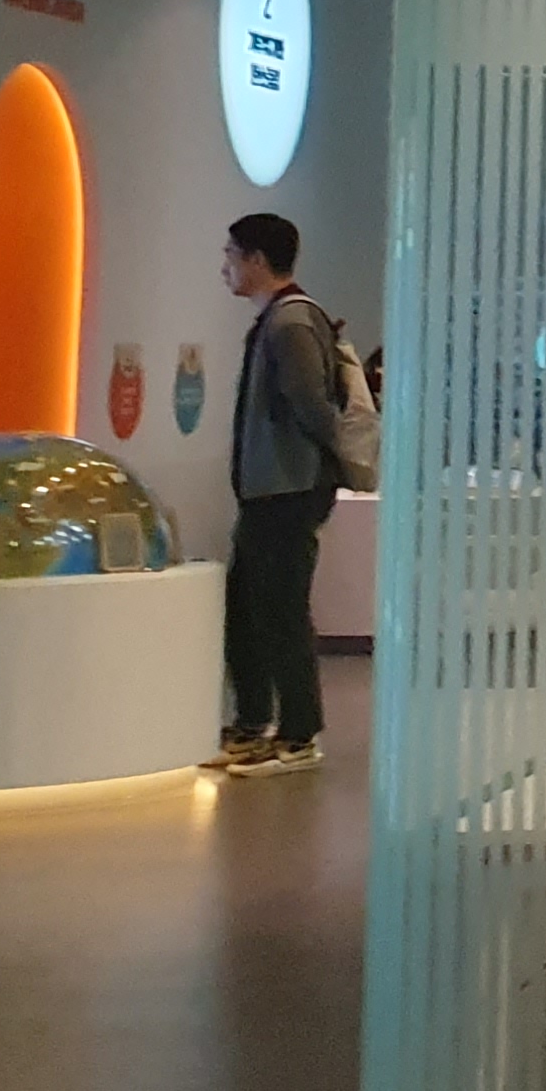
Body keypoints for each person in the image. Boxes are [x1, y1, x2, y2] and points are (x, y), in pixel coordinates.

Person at [206, 213, 344, 776]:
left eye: (231, 255)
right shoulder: (278, 320)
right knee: (248, 608)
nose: (225, 267)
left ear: (257, 260)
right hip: (268, 491)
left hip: (288, 491)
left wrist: (323, 466)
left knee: (281, 611)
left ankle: (297, 734)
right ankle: (253, 722)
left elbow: (313, 406)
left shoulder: (290, 323)